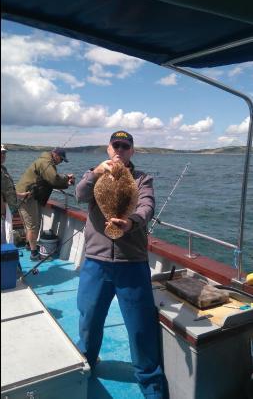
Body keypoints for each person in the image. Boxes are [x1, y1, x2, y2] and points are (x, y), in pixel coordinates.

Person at [76, 131, 166, 399]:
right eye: (116, 145)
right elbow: (80, 195)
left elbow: (147, 205)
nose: (120, 150)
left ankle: (152, 386)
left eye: (126, 146)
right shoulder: (94, 174)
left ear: (132, 151)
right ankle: (85, 366)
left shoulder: (142, 179)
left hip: (132, 262)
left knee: (140, 328)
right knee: (89, 322)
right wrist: (95, 172)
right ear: (108, 148)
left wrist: (132, 221)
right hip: (96, 262)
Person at [16, 147, 75, 260]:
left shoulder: (45, 161)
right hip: (27, 197)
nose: (61, 162)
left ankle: (30, 246)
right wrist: (67, 178)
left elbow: (51, 181)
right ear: (55, 155)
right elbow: (53, 179)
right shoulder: (46, 162)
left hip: (31, 196)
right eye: (61, 159)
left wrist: (66, 183)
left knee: (33, 224)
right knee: (33, 225)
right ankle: (34, 254)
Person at [1, 144, 30, 243]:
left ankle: (6, 252)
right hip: (3, 207)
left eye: (4, 153)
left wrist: (21, 195)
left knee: (6, 232)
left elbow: (8, 190)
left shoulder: (3, 169)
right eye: (1, 153)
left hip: (7, 205)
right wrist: (3, 209)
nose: (3, 155)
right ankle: (6, 254)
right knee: (5, 232)